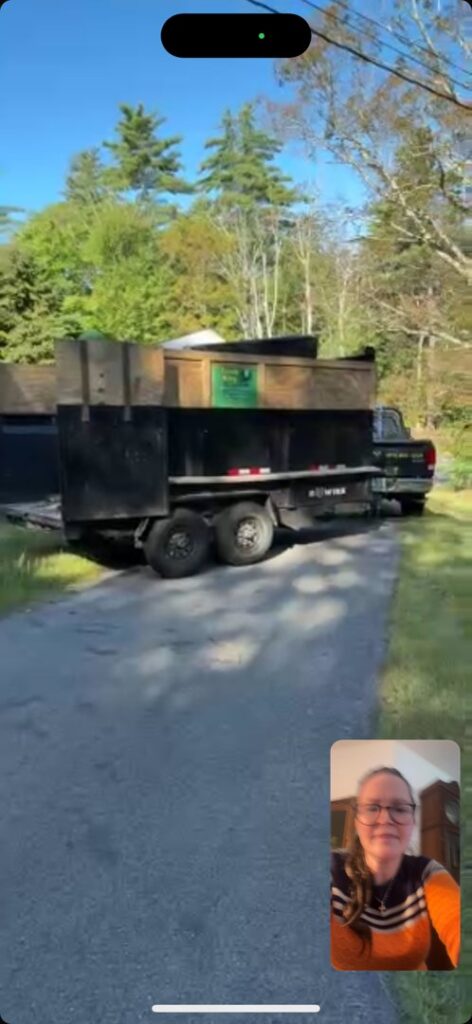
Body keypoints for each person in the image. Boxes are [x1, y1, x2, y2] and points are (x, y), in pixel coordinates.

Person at [331, 766, 460, 970]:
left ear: (412, 821)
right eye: (373, 808)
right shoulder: (329, 869)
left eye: (399, 809)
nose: (385, 819)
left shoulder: (427, 872)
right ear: (357, 821)